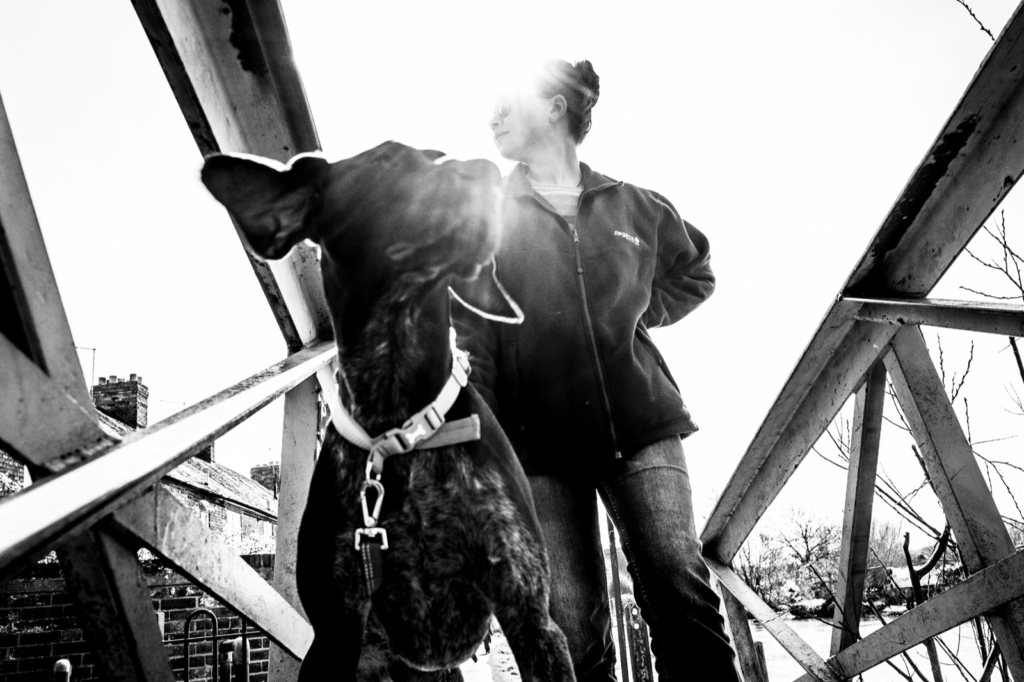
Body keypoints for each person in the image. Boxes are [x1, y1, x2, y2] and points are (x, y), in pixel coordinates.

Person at [453, 59, 741, 682]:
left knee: (677, 587)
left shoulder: (635, 206)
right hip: (537, 446)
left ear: (556, 106)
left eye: (508, 101)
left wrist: (638, 314)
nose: (493, 117)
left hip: (640, 424)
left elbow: (697, 273)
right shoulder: (487, 215)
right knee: (567, 629)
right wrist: (483, 440)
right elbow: (470, 327)